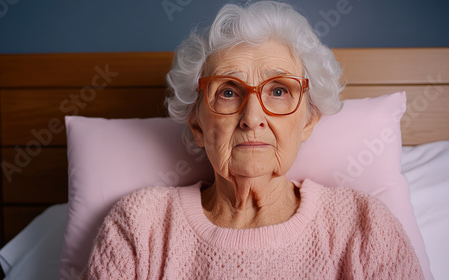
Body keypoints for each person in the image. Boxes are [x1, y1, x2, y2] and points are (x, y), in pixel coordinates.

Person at [80, 1, 423, 279]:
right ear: (197, 125)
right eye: (228, 91)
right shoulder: (141, 224)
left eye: (278, 90)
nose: (252, 117)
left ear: (308, 121)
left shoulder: (364, 226)